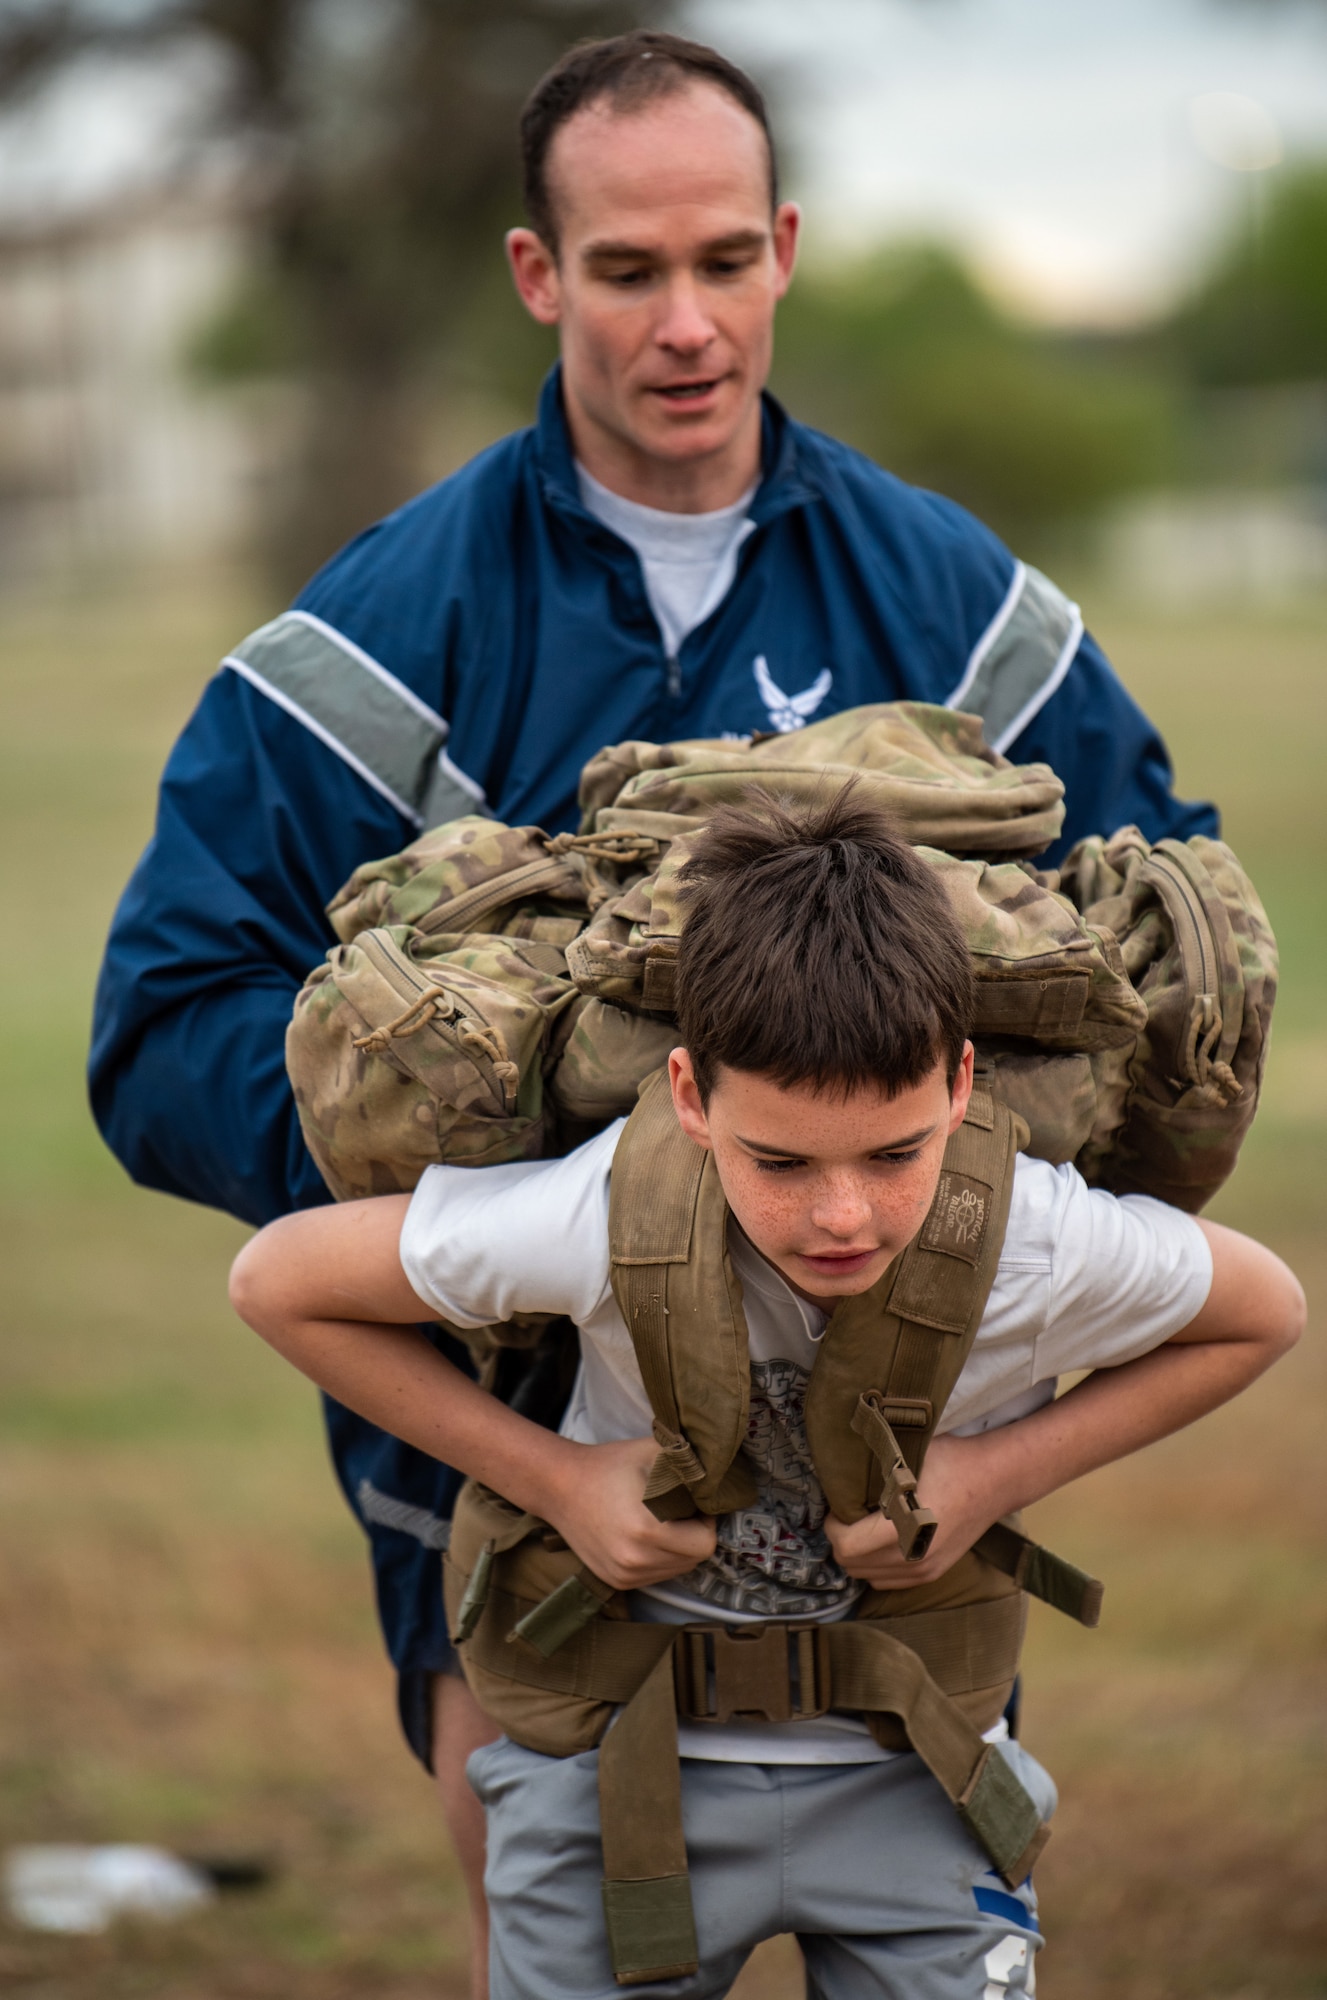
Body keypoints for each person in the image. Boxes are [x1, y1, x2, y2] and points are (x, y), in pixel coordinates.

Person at [88, 27, 1220, 1989]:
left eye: (719, 261)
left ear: (782, 250)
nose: (682, 322)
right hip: (509, 1480)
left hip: (895, 1478)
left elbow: (1172, 953)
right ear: (540, 275)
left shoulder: (961, 609)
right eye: (626, 270)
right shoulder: (380, 640)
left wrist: (973, 1166)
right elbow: (157, 1028)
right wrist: (547, 1150)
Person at [227, 792, 1303, 2000]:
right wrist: (559, 1481)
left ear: (957, 1086)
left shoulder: (1034, 1235)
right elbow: (278, 1281)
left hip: (919, 1771)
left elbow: (1264, 1310)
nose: (839, 1215)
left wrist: (996, 1473)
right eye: (779, 1161)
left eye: (894, 1155)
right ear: (691, 1098)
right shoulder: (609, 1208)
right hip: (616, 1770)